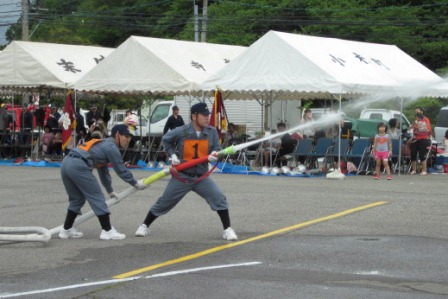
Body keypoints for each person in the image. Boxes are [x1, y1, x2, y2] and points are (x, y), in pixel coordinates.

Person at [134, 102, 238, 241]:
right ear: (194, 116)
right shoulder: (182, 131)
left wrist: (215, 154)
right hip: (182, 176)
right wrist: (172, 155)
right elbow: (166, 140)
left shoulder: (211, 132)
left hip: (201, 177)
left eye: (208, 115)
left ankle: (227, 229)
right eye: (204, 115)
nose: (207, 118)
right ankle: (144, 225)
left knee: (219, 198)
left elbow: (218, 149)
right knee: (164, 202)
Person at [59, 124, 148, 240]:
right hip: (78, 165)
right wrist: (135, 183)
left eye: (130, 137)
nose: (129, 140)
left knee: (77, 199)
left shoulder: (102, 144)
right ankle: (107, 230)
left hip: (66, 163)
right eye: (126, 136)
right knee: (97, 197)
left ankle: (66, 230)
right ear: (117, 135)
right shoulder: (111, 147)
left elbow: (103, 171)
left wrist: (110, 191)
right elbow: (121, 170)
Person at [410, 108, 431, 175]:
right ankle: (414, 170)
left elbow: (428, 129)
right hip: (415, 138)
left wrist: (419, 127)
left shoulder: (426, 119)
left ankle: (424, 170)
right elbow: (412, 128)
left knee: (422, 154)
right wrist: (412, 126)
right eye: (415, 112)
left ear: (422, 112)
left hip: (423, 138)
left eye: (418, 111)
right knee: (413, 154)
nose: (416, 113)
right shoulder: (415, 120)